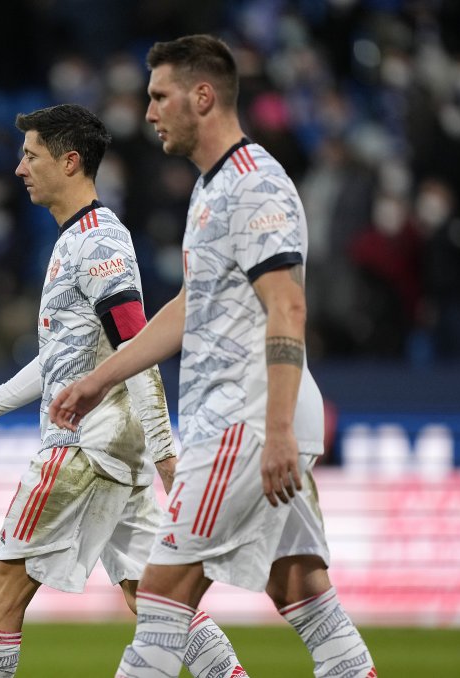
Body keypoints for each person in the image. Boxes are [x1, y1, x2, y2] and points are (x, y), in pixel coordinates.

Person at [50, 36, 377, 678]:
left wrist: (275, 431)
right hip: (251, 419)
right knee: (301, 590)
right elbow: (189, 306)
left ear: (202, 97)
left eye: (159, 96)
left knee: (161, 596)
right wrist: (99, 380)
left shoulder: (254, 185)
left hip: (246, 419)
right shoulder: (213, 187)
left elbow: (288, 307)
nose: (148, 112)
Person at [0, 104, 244, 678]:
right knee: (157, 601)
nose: (20, 168)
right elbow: (62, 359)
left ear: (69, 162)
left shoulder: (98, 242)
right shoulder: (80, 238)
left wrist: (167, 455)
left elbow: (137, 349)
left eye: (31, 156)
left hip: (83, 448)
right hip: (116, 449)